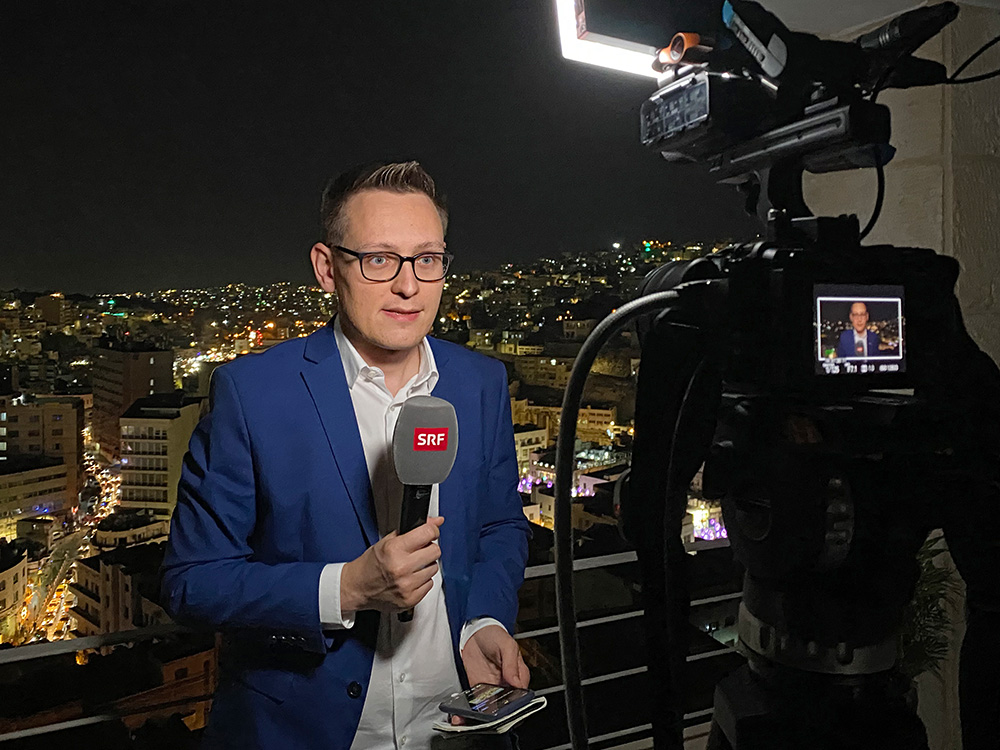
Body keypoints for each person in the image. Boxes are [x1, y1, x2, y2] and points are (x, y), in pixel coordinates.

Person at [161, 161, 532, 749]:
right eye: (379, 259)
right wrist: (347, 588)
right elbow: (191, 581)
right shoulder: (253, 394)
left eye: (428, 259)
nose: (408, 286)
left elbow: (499, 526)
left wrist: (480, 621)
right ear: (326, 268)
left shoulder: (480, 383)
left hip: (454, 727)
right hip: (301, 731)